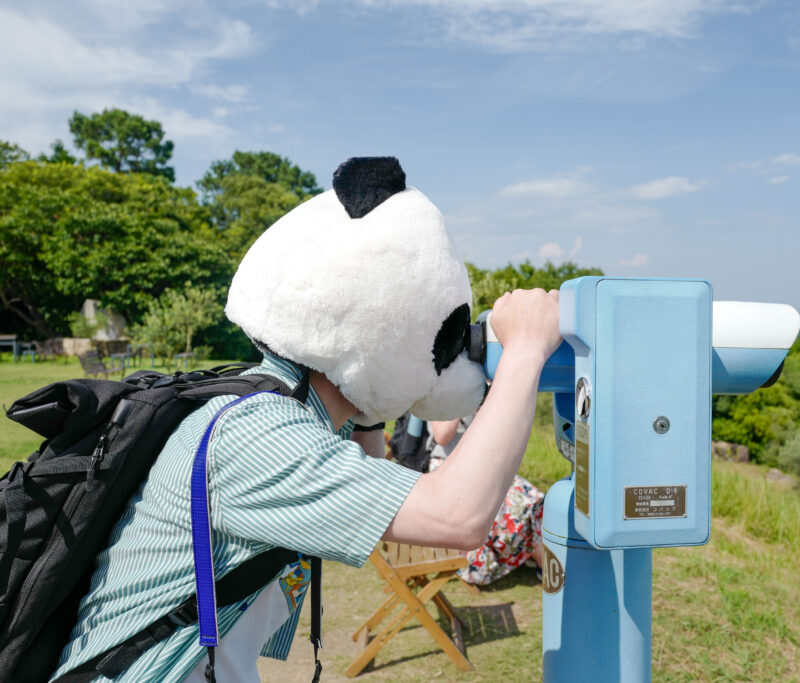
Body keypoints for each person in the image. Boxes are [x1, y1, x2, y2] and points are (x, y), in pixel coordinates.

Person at [49, 157, 562, 682]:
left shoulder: (273, 406)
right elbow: (458, 517)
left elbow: (372, 470)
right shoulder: (258, 435)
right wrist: (524, 352)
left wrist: (377, 395)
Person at [428, 415, 545, 585]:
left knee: (531, 500)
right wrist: (460, 396)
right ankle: (547, 567)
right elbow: (442, 436)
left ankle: (543, 563)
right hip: (450, 470)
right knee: (519, 506)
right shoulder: (440, 391)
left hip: (478, 466)